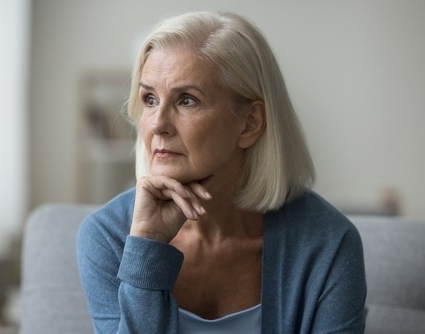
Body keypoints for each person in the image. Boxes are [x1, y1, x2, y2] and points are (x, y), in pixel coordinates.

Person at [77, 10, 366, 334]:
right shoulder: (108, 237)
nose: (158, 124)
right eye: (149, 99)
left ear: (250, 123)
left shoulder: (328, 243)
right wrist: (147, 247)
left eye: (186, 100)